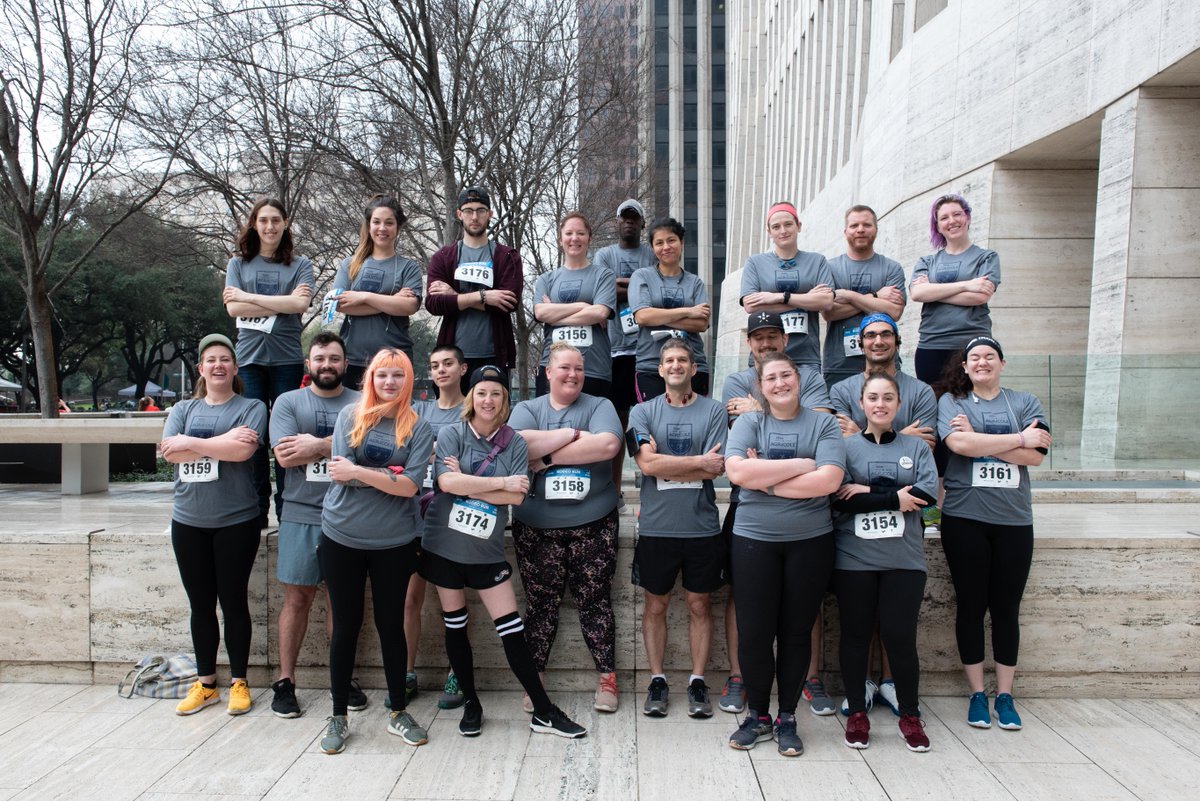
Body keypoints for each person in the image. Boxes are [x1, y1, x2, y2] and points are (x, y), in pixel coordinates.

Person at [421, 365, 587, 739]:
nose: (488, 400)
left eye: (495, 393)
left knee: (511, 629)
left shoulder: (513, 442)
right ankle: (472, 705)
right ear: (471, 397)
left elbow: (515, 496)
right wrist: (495, 482)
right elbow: (446, 482)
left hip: (486, 551)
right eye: (481, 393)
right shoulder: (451, 433)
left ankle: (543, 710)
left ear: (505, 400)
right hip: (443, 544)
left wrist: (467, 482)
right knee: (455, 625)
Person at [723, 352, 845, 756]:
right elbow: (738, 473)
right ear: (760, 386)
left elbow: (828, 481)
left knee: (795, 633)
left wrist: (768, 481)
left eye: (786, 375)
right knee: (755, 634)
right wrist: (802, 465)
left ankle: (787, 716)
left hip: (810, 542)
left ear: (798, 379)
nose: (779, 383)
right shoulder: (748, 422)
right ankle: (757, 715)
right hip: (754, 540)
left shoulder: (823, 422)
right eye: (771, 378)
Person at [317, 348, 434, 755]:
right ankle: (337, 715)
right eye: (382, 375)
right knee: (345, 627)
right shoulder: (349, 417)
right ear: (371, 378)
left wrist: (363, 473)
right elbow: (338, 473)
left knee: (391, 626)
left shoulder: (417, 427)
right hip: (341, 536)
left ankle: (398, 711)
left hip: (394, 542)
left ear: (408, 381)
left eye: (397, 376)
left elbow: (410, 487)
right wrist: (389, 475)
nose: (389, 382)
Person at [937, 336, 1049, 731]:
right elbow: (960, 444)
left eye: (989, 356)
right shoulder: (952, 402)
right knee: (970, 606)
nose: (981, 362)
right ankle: (975, 694)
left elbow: (1036, 456)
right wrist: (1018, 438)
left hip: (1014, 522)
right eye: (974, 358)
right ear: (964, 367)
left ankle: (1004, 694)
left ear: (1002, 362)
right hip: (965, 518)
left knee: (1006, 609)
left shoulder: (1026, 402)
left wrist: (981, 442)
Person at [828, 312, 937, 716]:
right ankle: (859, 705)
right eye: (872, 398)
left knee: (899, 635)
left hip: (903, 556)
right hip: (855, 556)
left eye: (888, 398)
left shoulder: (917, 446)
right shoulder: (846, 446)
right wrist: (896, 497)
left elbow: (926, 496)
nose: (880, 404)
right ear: (860, 402)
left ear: (900, 402)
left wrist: (871, 493)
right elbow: (840, 496)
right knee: (855, 634)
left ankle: (908, 710)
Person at [509, 342, 623, 712]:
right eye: (564, 368)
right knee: (540, 606)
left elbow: (607, 445)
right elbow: (516, 447)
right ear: (547, 372)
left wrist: (545, 456)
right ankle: (534, 680)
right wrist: (576, 437)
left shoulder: (600, 405)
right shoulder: (527, 408)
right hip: (536, 526)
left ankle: (607, 679)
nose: (572, 375)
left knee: (596, 602)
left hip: (594, 522)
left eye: (578, 368)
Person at [159, 333, 267, 716]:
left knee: (233, 602)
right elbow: (169, 453)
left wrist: (193, 443)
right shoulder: (182, 411)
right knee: (200, 605)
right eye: (211, 360)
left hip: (236, 520)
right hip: (188, 521)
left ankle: (239, 681)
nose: (218, 365)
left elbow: (242, 451)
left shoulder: (251, 407)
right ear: (201, 369)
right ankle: (206, 684)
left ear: (235, 368)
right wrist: (216, 441)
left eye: (225, 359)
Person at [627, 338, 727, 718]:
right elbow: (647, 467)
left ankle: (697, 682)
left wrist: (664, 460)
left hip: (701, 527)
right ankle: (657, 679)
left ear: (693, 368)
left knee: (700, 604)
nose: (675, 365)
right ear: (660, 369)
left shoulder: (714, 411)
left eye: (682, 359)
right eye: (668, 360)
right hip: (657, 527)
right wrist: (696, 461)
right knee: (656, 604)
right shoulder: (641, 412)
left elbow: (716, 468)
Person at [267, 332, 363, 718]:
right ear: (308, 364)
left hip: (351, 516)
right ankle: (285, 681)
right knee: (297, 599)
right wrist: (339, 443)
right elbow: (287, 457)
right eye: (320, 358)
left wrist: (319, 445)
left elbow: (369, 450)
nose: (327, 365)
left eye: (335, 358)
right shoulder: (289, 402)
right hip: (301, 514)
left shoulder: (361, 402)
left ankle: (343, 679)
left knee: (340, 602)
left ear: (345, 363)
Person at [223, 198, 314, 526]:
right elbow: (232, 311)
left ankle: (287, 507)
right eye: (263, 220)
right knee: (254, 435)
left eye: (276, 220)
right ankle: (258, 508)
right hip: (249, 361)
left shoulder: (300, 264)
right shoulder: (238, 264)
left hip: (287, 360)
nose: (270, 227)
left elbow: (301, 304)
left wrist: (248, 298)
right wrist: (282, 303)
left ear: (286, 223)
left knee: (286, 437)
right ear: (254, 224)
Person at [403, 345, 471, 710]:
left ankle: (456, 671)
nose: (441, 370)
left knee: (454, 604)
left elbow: (472, 456)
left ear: (462, 368)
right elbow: (406, 451)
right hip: (416, 517)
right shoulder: (417, 410)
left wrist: (430, 450)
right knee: (409, 599)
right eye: (434, 365)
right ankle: (407, 671)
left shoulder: (473, 408)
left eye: (447, 364)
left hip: (456, 518)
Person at [425, 186, 523, 389]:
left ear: (490, 214)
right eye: (468, 211)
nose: (474, 216)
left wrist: (455, 296)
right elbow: (434, 304)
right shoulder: (443, 257)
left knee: (492, 416)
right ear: (459, 214)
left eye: (481, 210)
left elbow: (508, 303)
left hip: (494, 355)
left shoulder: (506, 257)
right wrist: (484, 296)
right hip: (452, 359)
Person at [333, 196, 424, 391]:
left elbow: (408, 306)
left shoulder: (408, 267)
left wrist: (363, 297)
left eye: (389, 223)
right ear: (368, 225)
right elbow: (339, 304)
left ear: (398, 227)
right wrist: (391, 302)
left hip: (395, 358)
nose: (382, 228)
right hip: (353, 357)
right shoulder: (349, 264)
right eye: (376, 222)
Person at [595, 199, 655, 496]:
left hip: (649, 353)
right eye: (624, 217)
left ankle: (652, 485)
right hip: (615, 353)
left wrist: (623, 286)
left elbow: (656, 290)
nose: (629, 222)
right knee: (616, 426)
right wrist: (638, 285)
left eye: (635, 218)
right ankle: (614, 490)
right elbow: (602, 289)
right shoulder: (604, 254)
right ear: (616, 222)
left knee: (650, 425)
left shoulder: (652, 252)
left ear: (642, 224)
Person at [909, 194, 1000, 385]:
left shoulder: (987, 257)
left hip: (973, 346)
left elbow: (980, 296)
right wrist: (967, 284)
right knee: (933, 407)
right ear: (937, 226)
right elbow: (917, 293)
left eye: (957, 214)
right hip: (931, 345)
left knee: (972, 406)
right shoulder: (927, 261)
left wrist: (933, 292)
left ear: (967, 217)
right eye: (944, 218)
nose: (952, 221)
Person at [739, 202, 834, 370]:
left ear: (799, 226)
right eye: (776, 227)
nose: (783, 231)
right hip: (764, 356)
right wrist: (807, 299)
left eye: (788, 224)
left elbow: (826, 301)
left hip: (806, 356)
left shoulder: (817, 261)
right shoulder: (755, 263)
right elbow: (751, 305)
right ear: (769, 232)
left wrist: (777, 297)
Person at [821, 205, 907, 388]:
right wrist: (876, 297)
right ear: (845, 232)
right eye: (854, 226)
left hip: (884, 363)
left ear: (876, 229)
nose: (860, 229)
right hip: (838, 365)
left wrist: (849, 295)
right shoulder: (829, 268)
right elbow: (829, 313)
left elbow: (894, 312)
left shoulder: (892, 268)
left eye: (866, 225)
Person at [533, 211, 617, 396]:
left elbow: (600, 313)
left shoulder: (603, 275)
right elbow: (540, 313)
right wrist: (583, 306)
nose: (574, 238)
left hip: (594, 368)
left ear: (589, 238)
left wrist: (554, 314)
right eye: (569, 233)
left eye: (580, 233)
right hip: (552, 366)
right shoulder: (546, 279)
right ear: (560, 238)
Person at [628, 218, 711, 399]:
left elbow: (701, 324)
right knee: (653, 424)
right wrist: (688, 311)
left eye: (671, 240)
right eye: (659, 243)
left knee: (694, 424)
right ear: (652, 248)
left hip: (693, 364)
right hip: (651, 365)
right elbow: (642, 317)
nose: (666, 247)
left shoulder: (695, 282)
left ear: (681, 242)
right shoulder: (641, 276)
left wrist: (657, 315)